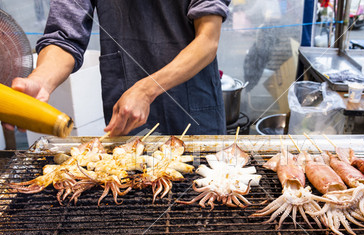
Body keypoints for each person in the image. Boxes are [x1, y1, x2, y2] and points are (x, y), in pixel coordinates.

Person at [8, 0, 230, 136]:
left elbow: (207, 41)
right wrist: (41, 80)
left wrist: (145, 89)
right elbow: (65, 37)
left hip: (192, 108)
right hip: (126, 112)